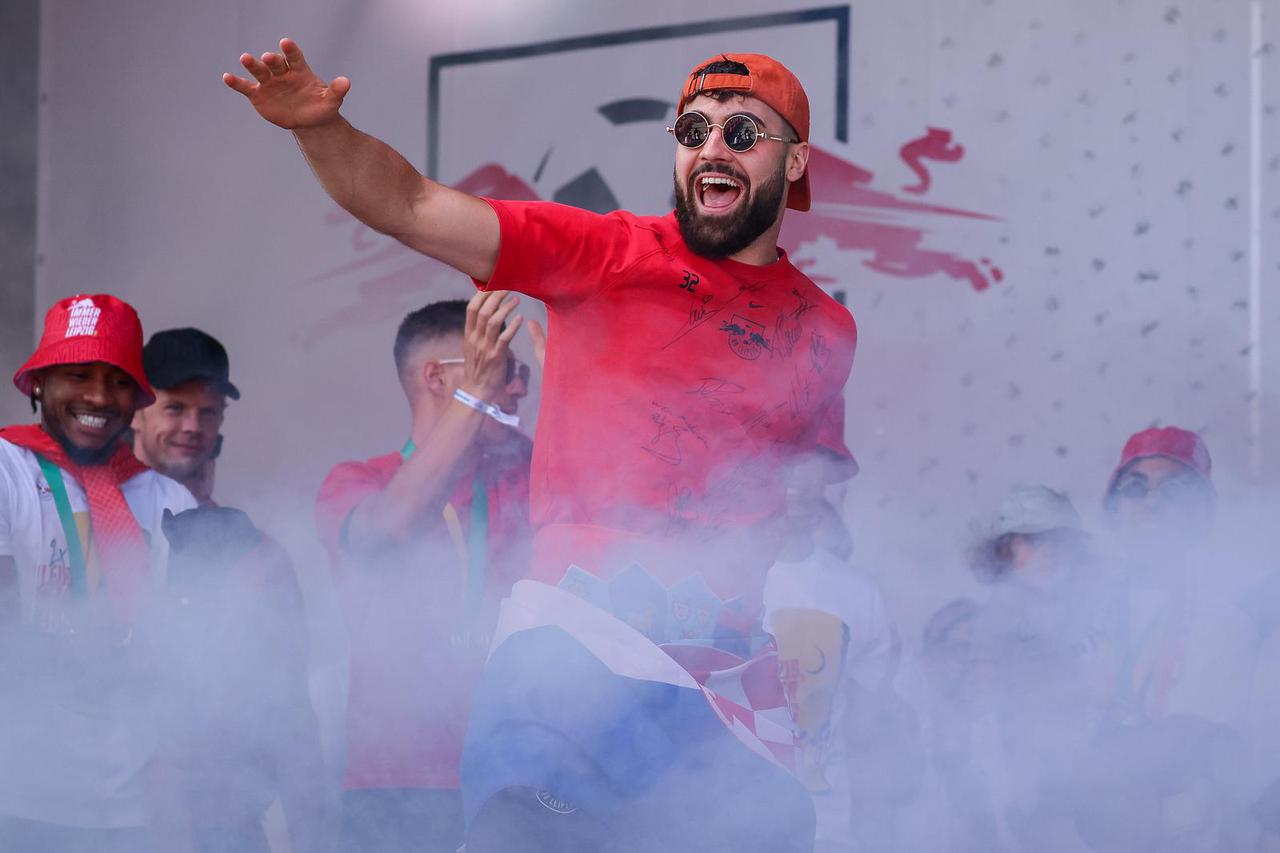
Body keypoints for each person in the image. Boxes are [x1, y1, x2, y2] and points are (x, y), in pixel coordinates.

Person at [227, 41, 855, 851]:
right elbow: (413, 205)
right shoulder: (607, 252)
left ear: (794, 159)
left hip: (722, 686)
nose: (710, 148)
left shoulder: (824, 330)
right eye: (693, 128)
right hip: (572, 659)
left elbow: (801, 499)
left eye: (741, 133)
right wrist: (322, 130)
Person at [314, 295, 533, 853]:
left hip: (519, 784)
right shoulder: (359, 480)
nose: (518, 389)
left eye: (518, 371)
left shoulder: (528, 476)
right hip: (398, 789)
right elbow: (388, 529)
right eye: (503, 370)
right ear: (438, 379)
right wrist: (477, 395)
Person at [0, 294, 197, 853]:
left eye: (117, 382)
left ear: (137, 397)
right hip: (17, 797)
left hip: (133, 809)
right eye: (78, 375)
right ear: (37, 383)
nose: (98, 396)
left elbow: (186, 661)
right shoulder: (6, 470)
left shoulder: (169, 500)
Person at [131, 327, 240, 506]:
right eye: (175, 408)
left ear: (221, 416)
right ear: (134, 412)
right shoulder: (84, 514)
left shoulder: (236, 532)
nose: (193, 426)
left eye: (207, 412)